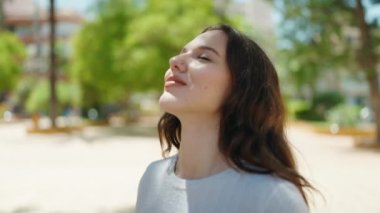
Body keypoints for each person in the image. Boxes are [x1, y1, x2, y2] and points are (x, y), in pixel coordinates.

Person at [135, 24, 314, 213]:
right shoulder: (152, 179)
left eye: (203, 57)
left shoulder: (272, 197)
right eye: (182, 53)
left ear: (241, 89)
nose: (174, 60)